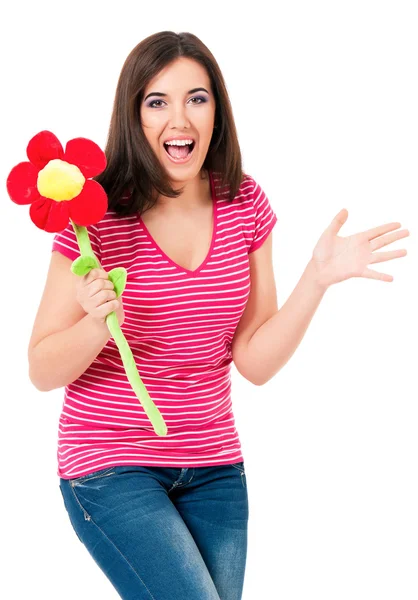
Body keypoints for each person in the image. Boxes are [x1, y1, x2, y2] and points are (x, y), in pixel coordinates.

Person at [27, 31, 409, 600]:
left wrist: (318, 277)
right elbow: (41, 369)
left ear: (216, 112)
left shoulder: (244, 202)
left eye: (197, 98)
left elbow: (253, 361)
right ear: (134, 115)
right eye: (157, 101)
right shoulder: (94, 215)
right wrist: (92, 324)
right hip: (111, 464)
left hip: (215, 467)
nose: (179, 118)